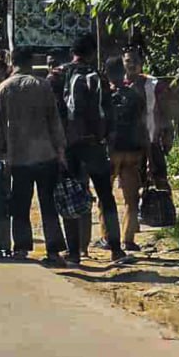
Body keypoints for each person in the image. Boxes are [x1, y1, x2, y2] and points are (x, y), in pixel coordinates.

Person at [0, 47, 70, 266]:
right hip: (45, 155)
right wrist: (60, 151)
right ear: (31, 62)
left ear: (12, 61)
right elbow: (54, 121)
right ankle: (53, 251)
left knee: (20, 205)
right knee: (48, 204)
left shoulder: (1, 90)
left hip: (18, 158)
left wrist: (1, 156)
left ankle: (21, 248)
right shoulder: (42, 86)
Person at [63, 34, 131, 264]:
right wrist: (107, 140)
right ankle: (116, 250)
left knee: (72, 196)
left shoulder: (60, 75)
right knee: (106, 197)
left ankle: (74, 253)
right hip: (95, 147)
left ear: (73, 52)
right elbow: (109, 112)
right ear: (92, 53)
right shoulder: (99, 77)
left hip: (71, 147)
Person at [105, 56, 147, 252]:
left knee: (105, 197)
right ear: (123, 73)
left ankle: (107, 237)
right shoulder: (135, 96)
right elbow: (143, 126)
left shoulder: (105, 96)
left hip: (111, 151)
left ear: (107, 74)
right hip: (132, 152)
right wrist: (148, 155)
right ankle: (128, 238)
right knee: (131, 199)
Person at [124, 45, 173, 191]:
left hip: (152, 141)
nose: (132, 65)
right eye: (128, 61)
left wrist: (168, 134)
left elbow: (165, 111)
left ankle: (164, 204)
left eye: (135, 61)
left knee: (160, 180)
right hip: (128, 145)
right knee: (133, 185)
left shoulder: (154, 84)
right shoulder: (117, 85)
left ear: (142, 63)